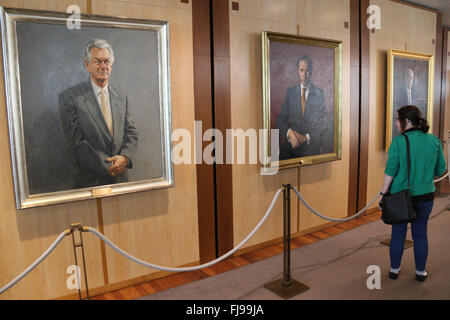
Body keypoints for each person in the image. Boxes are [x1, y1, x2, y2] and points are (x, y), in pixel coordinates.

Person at [59, 39, 138, 188]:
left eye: (107, 61)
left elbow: (131, 132)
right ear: (87, 65)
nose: (103, 66)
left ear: (112, 65)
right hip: (89, 184)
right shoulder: (70, 98)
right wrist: (110, 166)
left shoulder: (122, 97)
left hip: (121, 183)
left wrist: (125, 158)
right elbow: (76, 143)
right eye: (98, 61)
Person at [379, 105, 446, 282]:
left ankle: (394, 270)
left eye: (397, 119)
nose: (395, 122)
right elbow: (441, 170)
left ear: (406, 121)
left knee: (398, 234)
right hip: (426, 195)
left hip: (401, 196)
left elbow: (390, 170)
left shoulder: (399, 141)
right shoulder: (434, 140)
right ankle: (420, 272)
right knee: (420, 233)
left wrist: (382, 193)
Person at [276, 55, 329, 160]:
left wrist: (305, 138)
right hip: (292, 145)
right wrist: (289, 133)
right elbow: (280, 120)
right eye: (301, 70)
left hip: (311, 147)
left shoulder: (320, 94)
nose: (304, 75)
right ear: (297, 71)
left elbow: (323, 124)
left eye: (307, 70)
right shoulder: (290, 93)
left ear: (311, 71)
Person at [393, 68, 416, 137]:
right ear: (404, 79)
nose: (410, 80)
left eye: (411, 78)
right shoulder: (398, 92)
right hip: (401, 125)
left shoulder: (415, 93)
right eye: (408, 77)